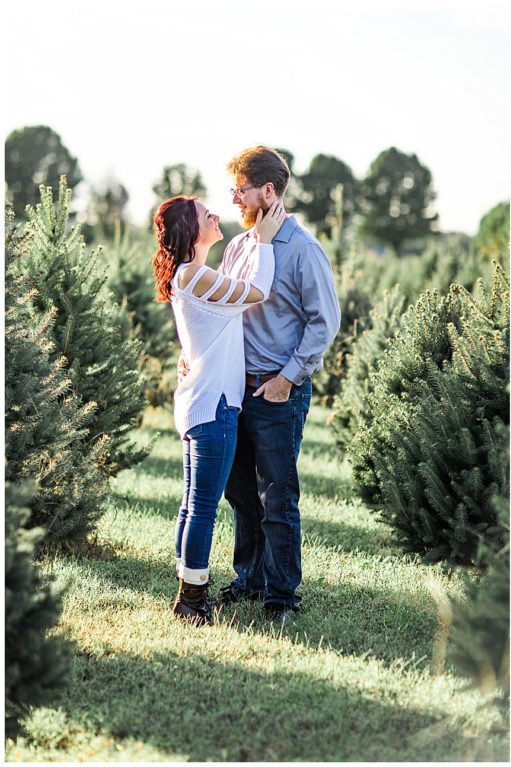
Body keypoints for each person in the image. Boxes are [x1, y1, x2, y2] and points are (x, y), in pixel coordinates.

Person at [211, 145, 341, 625]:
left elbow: (324, 322)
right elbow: (222, 310)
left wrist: (288, 379)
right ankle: (249, 578)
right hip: (235, 389)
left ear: (268, 191)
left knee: (277, 497)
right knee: (240, 493)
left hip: (277, 391)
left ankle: (282, 596)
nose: (234, 200)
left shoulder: (303, 249)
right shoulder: (239, 247)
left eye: (240, 191)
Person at [154, 195, 285, 625]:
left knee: (192, 505)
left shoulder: (191, 276)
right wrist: (264, 242)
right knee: (203, 508)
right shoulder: (195, 275)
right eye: (203, 212)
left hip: (202, 402)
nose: (214, 214)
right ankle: (191, 601)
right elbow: (257, 292)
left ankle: (186, 588)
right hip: (214, 407)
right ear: (190, 230)